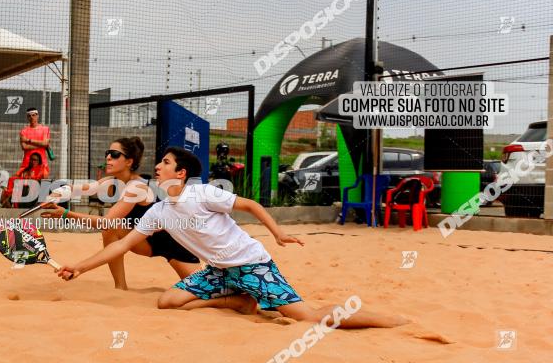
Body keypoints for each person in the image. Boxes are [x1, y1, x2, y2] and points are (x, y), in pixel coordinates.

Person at [57, 147, 408, 329]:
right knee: (167, 302)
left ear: (180, 173)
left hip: (252, 265)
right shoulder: (159, 211)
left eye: (165, 162)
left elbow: (251, 204)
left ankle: (392, 321)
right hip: (219, 271)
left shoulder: (203, 193)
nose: (159, 167)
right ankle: (237, 302)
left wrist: (279, 233)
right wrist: (79, 268)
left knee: (309, 317)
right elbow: (120, 243)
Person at [41, 136, 200, 290]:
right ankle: (120, 287)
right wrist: (58, 193)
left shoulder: (136, 187)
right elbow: (81, 189)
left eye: (115, 155)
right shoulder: (111, 182)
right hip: (143, 241)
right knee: (112, 230)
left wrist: (65, 214)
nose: (109, 157)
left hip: (172, 244)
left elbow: (106, 222)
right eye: (107, 154)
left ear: (129, 162)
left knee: (201, 290)